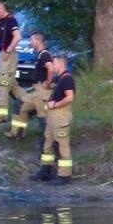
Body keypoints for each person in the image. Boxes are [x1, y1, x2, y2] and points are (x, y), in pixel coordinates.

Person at [35, 54, 76, 182]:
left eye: (54, 63)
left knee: (63, 146)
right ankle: (45, 171)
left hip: (60, 117)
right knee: (47, 144)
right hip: (52, 118)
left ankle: (64, 175)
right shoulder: (59, 79)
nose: (52, 66)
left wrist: (55, 104)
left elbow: (69, 97)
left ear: (61, 64)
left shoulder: (67, 79)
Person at [7, 31, 53, 139]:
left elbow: (51, 69)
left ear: (38, 41)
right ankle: (18, 133)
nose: (30, 43)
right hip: (37, 91)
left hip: (42, 92)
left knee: (42, 117)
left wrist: (48, 83)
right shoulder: (41, 55)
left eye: (32, 40)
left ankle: (51, 141)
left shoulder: (44, 55)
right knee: (20, 106)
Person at [0, 0, 20, 124]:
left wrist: (8, 50)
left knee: (2, 85)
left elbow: (18, 36)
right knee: (12, 86)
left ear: (1, 9)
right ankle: (28, 105)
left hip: (9, 55)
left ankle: (2, 115)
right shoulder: (1, 21)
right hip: (2, 55)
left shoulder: (11, 20)